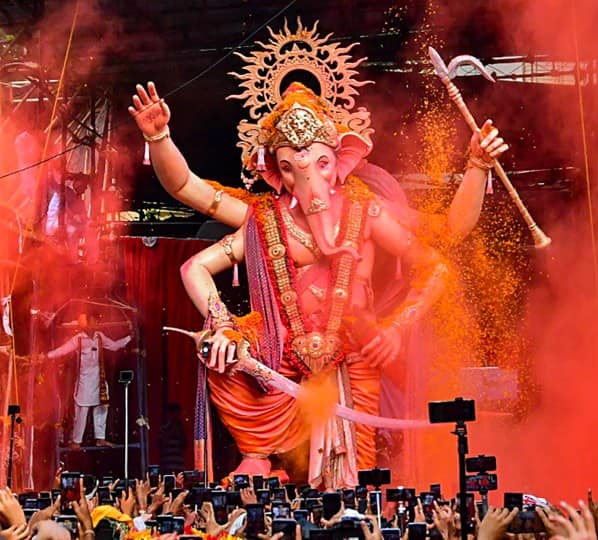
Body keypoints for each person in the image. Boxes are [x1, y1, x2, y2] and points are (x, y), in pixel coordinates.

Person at [129, 23, 507, 487]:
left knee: (359, 475)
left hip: (354, 353)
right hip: (280, 356)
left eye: (319, 163)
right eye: (290, 167)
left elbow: (443, 248)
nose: (306, 179)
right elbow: (189, 191)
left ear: (340, 160)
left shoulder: (366, 210)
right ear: (276, 171)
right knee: (223, 356)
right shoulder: (264, 217)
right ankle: (259, 454)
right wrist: (159, 138)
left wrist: (475, 166)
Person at [46, 313, 132, 450]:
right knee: (82, 409)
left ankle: (100, 438)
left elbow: (114, 346)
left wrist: (129, 337)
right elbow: (63, 350)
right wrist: (46, 356)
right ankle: (76, 441)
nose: (93, 325)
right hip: (85, 380)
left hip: (99, 379)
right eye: (90, 322)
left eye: (94, 322)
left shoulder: (99, 337)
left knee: (102, 407)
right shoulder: (78, 339)